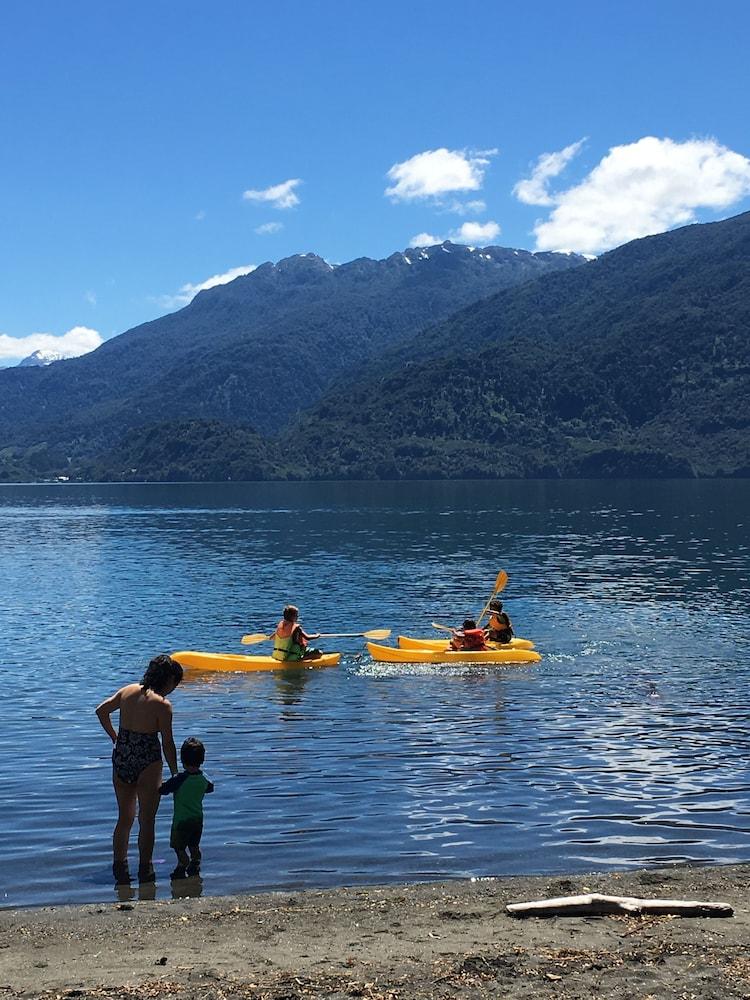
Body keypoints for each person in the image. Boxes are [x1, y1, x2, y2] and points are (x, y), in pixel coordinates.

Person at [95, 653, 183, 885]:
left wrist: (115, 737)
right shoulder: (163, 705)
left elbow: (101, 712)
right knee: (147, 820)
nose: (173, 690)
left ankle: (120, 868)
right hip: (147, 761)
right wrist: (175, 773)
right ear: (168, 680)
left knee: (124, 818)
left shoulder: (128, 690)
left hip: (122, 756)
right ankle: (146, 869)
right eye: (174, 684)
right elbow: (167, 743)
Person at [160, 737, 214, 879]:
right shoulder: (204, 780)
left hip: (181, 821)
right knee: (194, 845)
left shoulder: (179, 780)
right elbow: (210, 789)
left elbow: (163, 790)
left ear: (182, 760)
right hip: (198, 819)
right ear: (202, 760)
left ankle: (183, 861)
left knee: (178, 846)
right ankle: (195, 862)